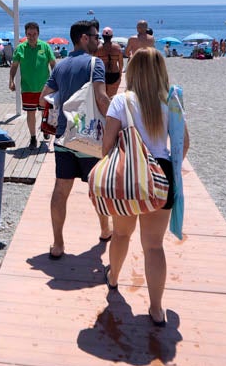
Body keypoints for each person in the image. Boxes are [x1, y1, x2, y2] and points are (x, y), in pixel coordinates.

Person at [102, 47, 190, 327]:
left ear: (134, 72)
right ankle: (156, 308)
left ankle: (113, 277)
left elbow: (106, 146)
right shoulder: (170, 101)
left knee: (121, 235)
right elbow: (183, 144)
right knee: (153, 246)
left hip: (129, 176)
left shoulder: (121, 101)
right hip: (161, 175)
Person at [40, 20, 111, 258]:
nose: (98, 40)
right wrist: (117, 120)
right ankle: (104, 230)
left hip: (63, 137)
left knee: (61, 190)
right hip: (89, 136)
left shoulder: (60, 66)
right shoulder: (95, 64)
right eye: (95, 36)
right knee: (98, 189)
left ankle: (58, 244)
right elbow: (101, 99)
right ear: (83, 38)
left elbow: (44, 99)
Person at [9, 21, 56, 149]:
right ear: (26, 34)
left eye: (34, 34)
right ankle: (33, 138)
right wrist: (11, 80)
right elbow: (14, 66)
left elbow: (53, 64)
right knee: (31, 113)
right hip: (28, 87)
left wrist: (56, 81)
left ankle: (45, 130)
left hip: (44, 88)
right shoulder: (20, 48)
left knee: (44, 112)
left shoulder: (45, 47)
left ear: (38, 34)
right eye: (29, 34)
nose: (32, 37)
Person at [96, 26, 124, 98]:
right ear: (112, 36)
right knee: (112, 98)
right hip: (115, 74)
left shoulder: (98, 49)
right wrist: (120, 75)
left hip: (103, 74)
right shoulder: (117, 48)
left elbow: (95, 64)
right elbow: (121, 63)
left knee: (103, 98)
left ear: (102, 36)